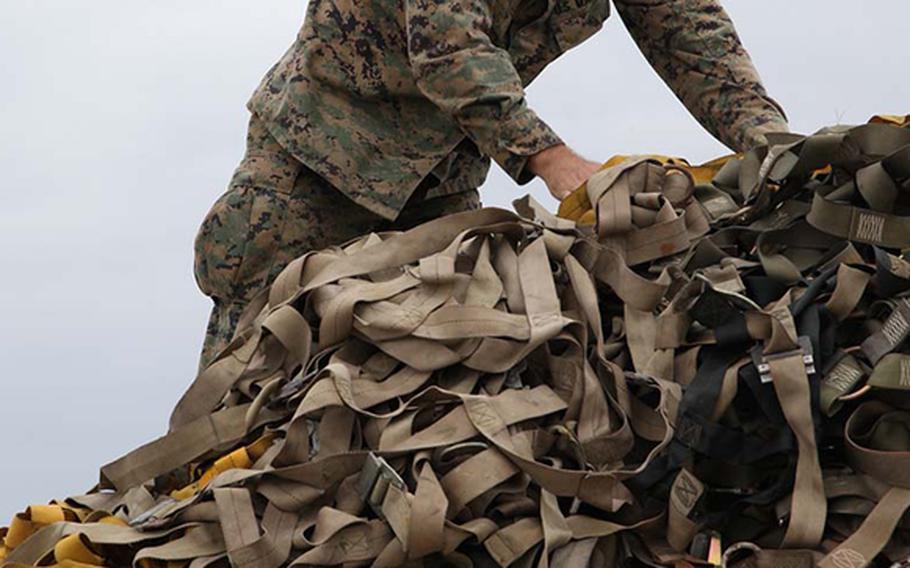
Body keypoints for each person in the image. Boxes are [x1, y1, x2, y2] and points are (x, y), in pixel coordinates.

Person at [193, 0, 788, 368]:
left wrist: (775, 145)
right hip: (314, 170)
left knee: (413, 388)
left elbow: (690, 34)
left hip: (439, 188)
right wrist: (550, 159)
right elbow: (448, 47)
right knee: (251, 381)